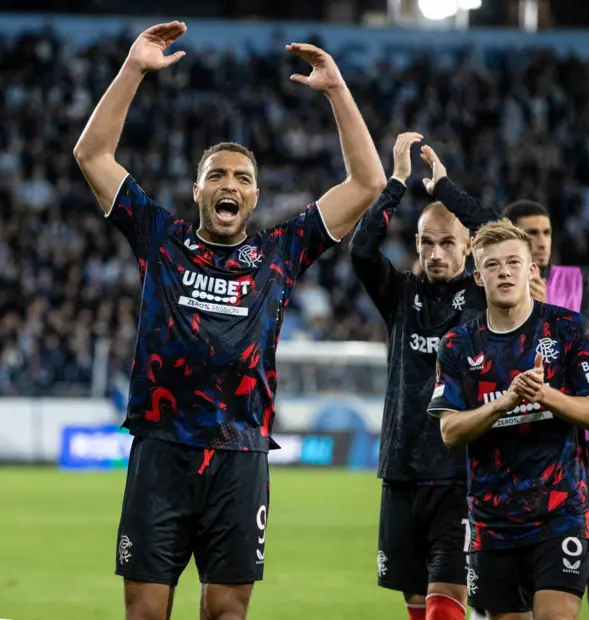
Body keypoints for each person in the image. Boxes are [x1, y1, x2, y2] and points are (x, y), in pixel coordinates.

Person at [73, 21, 386, 620]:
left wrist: (337, 90)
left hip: (240, 456)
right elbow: (92, 154)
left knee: (227, 614)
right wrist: (133, 69)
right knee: (143, 614)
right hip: (161, 450)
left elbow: (368, 182)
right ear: (197, 190)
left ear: (255, 196)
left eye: (241, 178)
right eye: (217, 174)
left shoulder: (279, 253)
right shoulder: (158, 236)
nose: (229, 184)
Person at [428, 219, 589, 620]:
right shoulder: (458, 344)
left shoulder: (568, 329)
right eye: (493, 265)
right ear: (478, 277)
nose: (505, 272)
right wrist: (503, 403)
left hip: (559, 513)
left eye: (514, 262)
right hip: (491, 523)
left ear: (532, 269)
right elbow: (449, 431)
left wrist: (543, 395)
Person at [349, 133, 500, 620]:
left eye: (447, 243)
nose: (436, 253)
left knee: (444, 603)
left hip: (459, 474)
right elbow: (361, 250)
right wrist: (395, 182)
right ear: (416, 244)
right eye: (427, 243)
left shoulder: (481, 299)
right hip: (400, 469)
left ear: (468, 247)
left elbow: (504, 237)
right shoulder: (400, 294)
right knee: (417, 604)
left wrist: (446, 191)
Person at [502, 200, 589, 620]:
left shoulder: (575, 283)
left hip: (581, 443)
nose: (540, 243)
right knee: (520, 558)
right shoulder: (493, 289)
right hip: (520, 443)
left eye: (546, 233)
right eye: (531, 233)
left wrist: (549, 312)